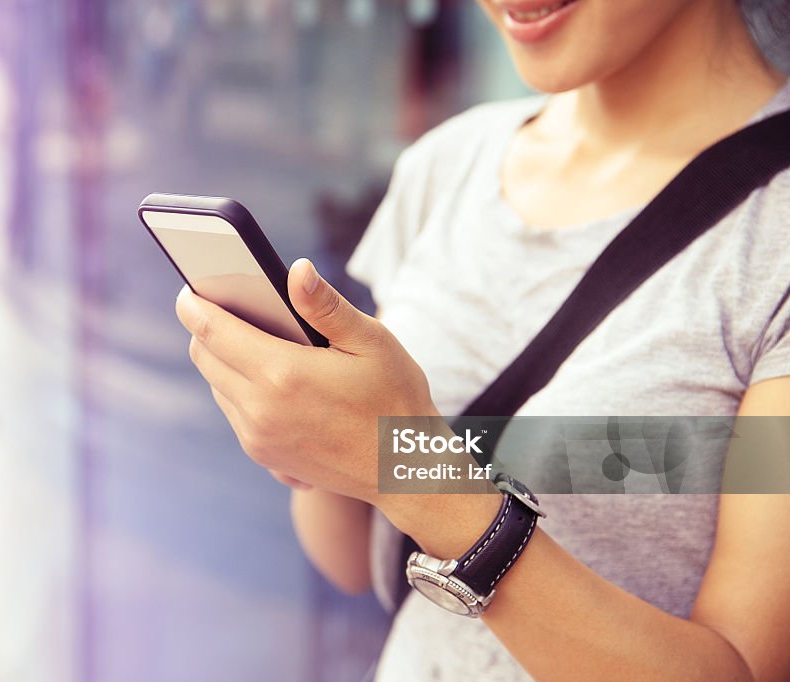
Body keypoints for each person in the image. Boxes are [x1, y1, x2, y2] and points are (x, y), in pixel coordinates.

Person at [174, 0, 790, 679]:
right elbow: (354, 561)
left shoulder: (772, 238)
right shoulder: (449, 164)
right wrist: (313, 446)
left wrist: (415, 471)